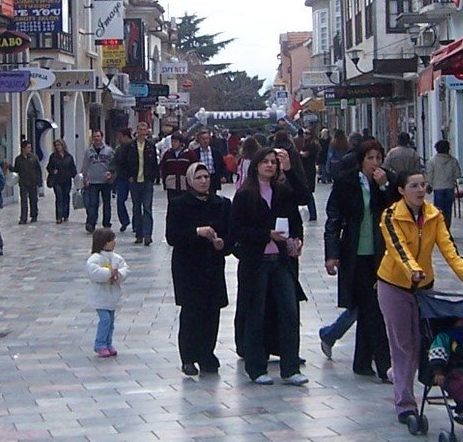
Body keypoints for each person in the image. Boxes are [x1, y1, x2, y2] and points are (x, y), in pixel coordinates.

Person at [378, 167, 463, 425]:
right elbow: (398, 249)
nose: (421, 191)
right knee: (403, 344)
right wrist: (414, 271)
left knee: (424, 342)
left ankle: (403, 375)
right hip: (394, 285)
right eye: (414, 186)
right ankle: (405, 404)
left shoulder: (434, 215)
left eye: (423, 186)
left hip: (424, 288)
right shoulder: (390, 216)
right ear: (401, 190)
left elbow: (448, 248)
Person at [229, 146, 308, 386]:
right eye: (264, 162)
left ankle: (290, 366)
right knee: (256, 314)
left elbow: (300, 206)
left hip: (281, 261)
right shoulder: (245, 195)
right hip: (256, 263)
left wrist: (296, 239)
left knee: (289, 312)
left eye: (273, 162)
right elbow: (237, 231)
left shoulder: (282, 192)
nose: (270, 166)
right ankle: (256, 367)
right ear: (255, 166)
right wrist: (266, 235)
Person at [320, 137, 397, 382]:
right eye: (370, 158)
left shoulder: (387, 182)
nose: (375, 163)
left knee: (368, 308)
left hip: (380, 254)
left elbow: (396, 212)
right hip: (355, 253)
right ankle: (385, 365)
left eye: (378, 158)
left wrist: (384, 186)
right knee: (372, 308)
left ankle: (362, 362)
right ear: (361, 160)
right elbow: (334, 218)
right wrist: (331, 254)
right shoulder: (347, 182)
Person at [166, 161, 232, 376]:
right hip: (188, 267)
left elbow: (230, 235)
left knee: (212, 312)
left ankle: (207, 353)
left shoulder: (221, 204)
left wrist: (223, 244)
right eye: (199, 177)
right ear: (189, 181)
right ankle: (188, 356)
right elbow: (172, 236)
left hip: (212, 264)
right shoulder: (179, 204)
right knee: (192, 312)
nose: (203, 181)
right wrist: (197, 232)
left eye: (206, 177)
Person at [85, 227, 127, 358]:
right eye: (111, 240)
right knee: (105, 320)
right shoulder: (95, 259)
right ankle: (100, 344)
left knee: (111, 321)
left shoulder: (116, 258)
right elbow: (94, 273)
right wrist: (109, 273)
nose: (114, 242)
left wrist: (118, 274)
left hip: (112, 296)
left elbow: (125, 269)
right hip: (100, 296)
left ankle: (108, 343)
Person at [121, 121, 161, 245]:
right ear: (136, 131)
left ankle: (147, 234)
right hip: (135, 181)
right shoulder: (130, 146)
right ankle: (139, 234)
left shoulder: (150, 146)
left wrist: (154, 178)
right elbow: (124, 163)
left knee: (147, 208)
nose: (142, 132)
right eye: (140, 129)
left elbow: (155, 163)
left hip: (147, 181)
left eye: (144, 129)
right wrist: (128, 176)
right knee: (136, 208)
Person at [81, 129, 116, 232]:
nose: (96, 138)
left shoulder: (109, 150)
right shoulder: (88, 151)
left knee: (107, 204)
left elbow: (113, 164)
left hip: (105, 181)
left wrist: (112, 175)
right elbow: (85, 165)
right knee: (93, 204)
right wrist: (84, 177)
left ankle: (106, 223)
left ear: (102, 137)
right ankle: (91, 223)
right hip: (92, 182)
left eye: (98, 136)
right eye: (95, 136)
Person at [10, 140, 44, 225]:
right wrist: (10, 168)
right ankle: (23, 218)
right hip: (23, 182)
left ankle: (34, 215)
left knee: (33, 200)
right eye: (28, 147)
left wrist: (39, 183)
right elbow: (16, 170)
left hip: (33, 182)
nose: (29, 149)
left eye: (30, 147)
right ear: (23, 149)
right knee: (24, 201)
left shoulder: (34, 157)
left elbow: (38, 170)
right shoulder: (18, 159)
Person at [427, 139, 461, 220]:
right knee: (448, 210)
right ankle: (447, 227)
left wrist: (429, 185)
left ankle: (440, 228)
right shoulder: (453, 161)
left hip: (438, 188)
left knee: (438, 211)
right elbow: (458, 174)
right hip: (450, 188)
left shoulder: (432, 161)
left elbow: (430, 176)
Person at [45, 138, 77, 224]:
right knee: (59, 198)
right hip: (57, 180)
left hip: (67, 180)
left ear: (63, 146)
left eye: (59, 145)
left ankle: (65, 215)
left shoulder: (69, 157)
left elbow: (73, 168)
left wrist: (76, 178)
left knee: (66, 197)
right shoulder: (53, 156)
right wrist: (52, 171)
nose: (58, 147)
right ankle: (59, 217)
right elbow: (48, 167)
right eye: (56, 145)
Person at [159, 129, 196, 197]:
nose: (173, 143)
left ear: (181, 143)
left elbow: (194, 167)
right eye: (172, 141)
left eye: (175, 142)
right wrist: (165, 182)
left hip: (185, 185)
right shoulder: (168, 154)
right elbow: (163, 168)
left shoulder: (189, 154)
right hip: (171, 185)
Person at [112, 127, 134, 233]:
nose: (119, 139)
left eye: (120, 137)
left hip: (134, 178)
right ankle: (124, 221)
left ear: (126, 137)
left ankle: (136, 224)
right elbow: (115, 162)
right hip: (122, 178)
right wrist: (111, 171)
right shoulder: (119, 149)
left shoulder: (134, 147)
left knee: (137, 203)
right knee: (120, 201)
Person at [192, 128, 229, 192]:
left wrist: (223, 176)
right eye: (203, 139)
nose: (205, 141)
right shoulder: (194, 153)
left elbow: (222, 165)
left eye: (207, 138)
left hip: (213, 178)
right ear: (199, 140)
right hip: (200, 178)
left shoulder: (216, 152)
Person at [296, 130, 321, 220]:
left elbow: (305, 155)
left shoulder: (312, 145)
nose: (305, 135)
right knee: (308, 192)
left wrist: (300, 154)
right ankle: (312, 213)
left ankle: (313, 214)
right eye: (304, 133)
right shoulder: (309, 143)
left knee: (308, 192)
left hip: (308, 170)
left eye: (307, 133)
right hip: (308, 169)